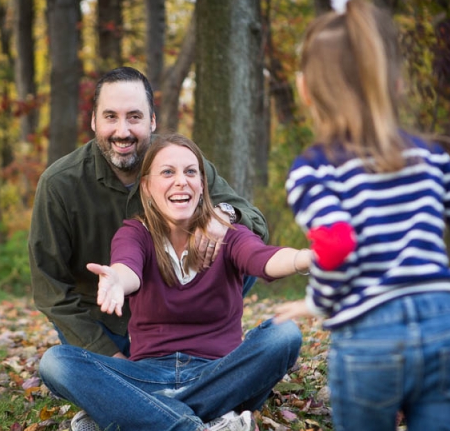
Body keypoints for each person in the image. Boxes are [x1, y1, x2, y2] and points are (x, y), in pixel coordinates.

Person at [273, 0, 450, 431]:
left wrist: (321, 303)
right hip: (448, 328)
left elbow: (335, 245)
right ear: (395, 85)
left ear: (306, 91)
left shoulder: (315, 169)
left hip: (369, 336)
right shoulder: (430, 155)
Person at [38, 134, 309, 431]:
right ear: (147, 187)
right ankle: (199, 429)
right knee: (55, 362)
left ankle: (131, 415)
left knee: (285, 334)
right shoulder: (134, 233)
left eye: (190, 172)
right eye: (168, 173)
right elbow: (129, 269)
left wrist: (308, 258)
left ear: (203, 185)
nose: (181, 181)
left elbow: (264, 259)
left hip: (219, 373)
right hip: (148, 375)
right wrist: (116, 279)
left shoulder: (228, 235)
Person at [28, 66, 269, 360]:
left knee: (237, 250)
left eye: (134, 117)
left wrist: (223, 216)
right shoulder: (59, 184)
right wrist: (108, 356)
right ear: (93, 120)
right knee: (57, 365)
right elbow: (49, 288)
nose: (123, 131)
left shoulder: (183, 165)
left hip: (175, 315)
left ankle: (203, 349)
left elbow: (255, 224)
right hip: (105, 325)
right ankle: (140, 381)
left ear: (152, 121)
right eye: (110, 117)